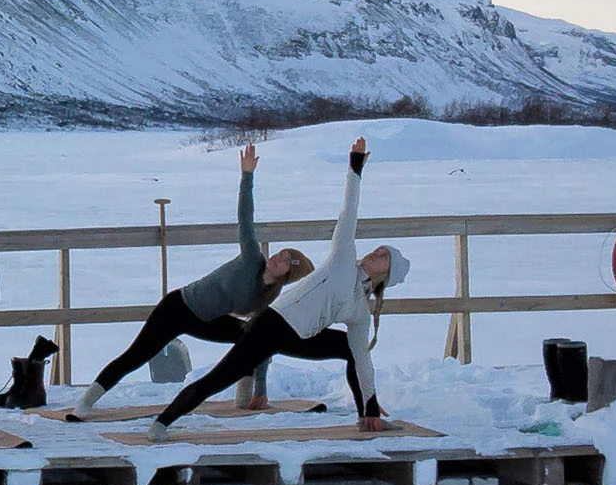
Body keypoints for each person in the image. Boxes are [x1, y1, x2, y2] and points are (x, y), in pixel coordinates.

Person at [148, 136, 406, 439]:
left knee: (352, 350)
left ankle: (367, 416)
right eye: (379, 249)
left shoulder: (360, 312)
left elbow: (362, 358)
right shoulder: (342, 259)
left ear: (387, 277)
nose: (377, 252)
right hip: (271, 325)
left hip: (299, 336)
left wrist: (372, 400)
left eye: (385, 256)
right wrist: (355, 168)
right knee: (219, 378)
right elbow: (348, 211)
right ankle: (161, 423)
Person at [67, 143, 311, 420]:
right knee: (135, 356)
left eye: (283, 261)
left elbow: (264, 343)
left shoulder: (266, 298)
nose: (276, 258)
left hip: (206, 320)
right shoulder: (251, 258)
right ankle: (85, 402)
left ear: (284, 277)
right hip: (178, 308)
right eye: (279, 253)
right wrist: (247, 177)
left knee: (255, 337)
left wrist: (262, 387)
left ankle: (250, 397)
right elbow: (246, 218)